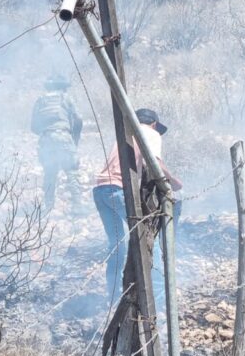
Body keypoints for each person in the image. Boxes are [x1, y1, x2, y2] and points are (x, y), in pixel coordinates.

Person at [92, 108, 183, 305]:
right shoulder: (150, 133)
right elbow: (156, 163)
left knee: (116, 245)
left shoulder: (126, 135)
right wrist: (174, 183)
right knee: (146, 238)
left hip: (100, 191)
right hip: (118, 190)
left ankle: (113, 298)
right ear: (154, 124)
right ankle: (157, 298)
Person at [30, 74, 83, 211]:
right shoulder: (66, 98)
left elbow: (34, 127)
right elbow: (78, 119)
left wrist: (47, 132)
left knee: (49, 172)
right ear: (64, 87)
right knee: (71, 170)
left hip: (45, 139)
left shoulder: (40, 100)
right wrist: (74, 138)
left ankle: (49, 207)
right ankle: (77, 205)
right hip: (63, 137)